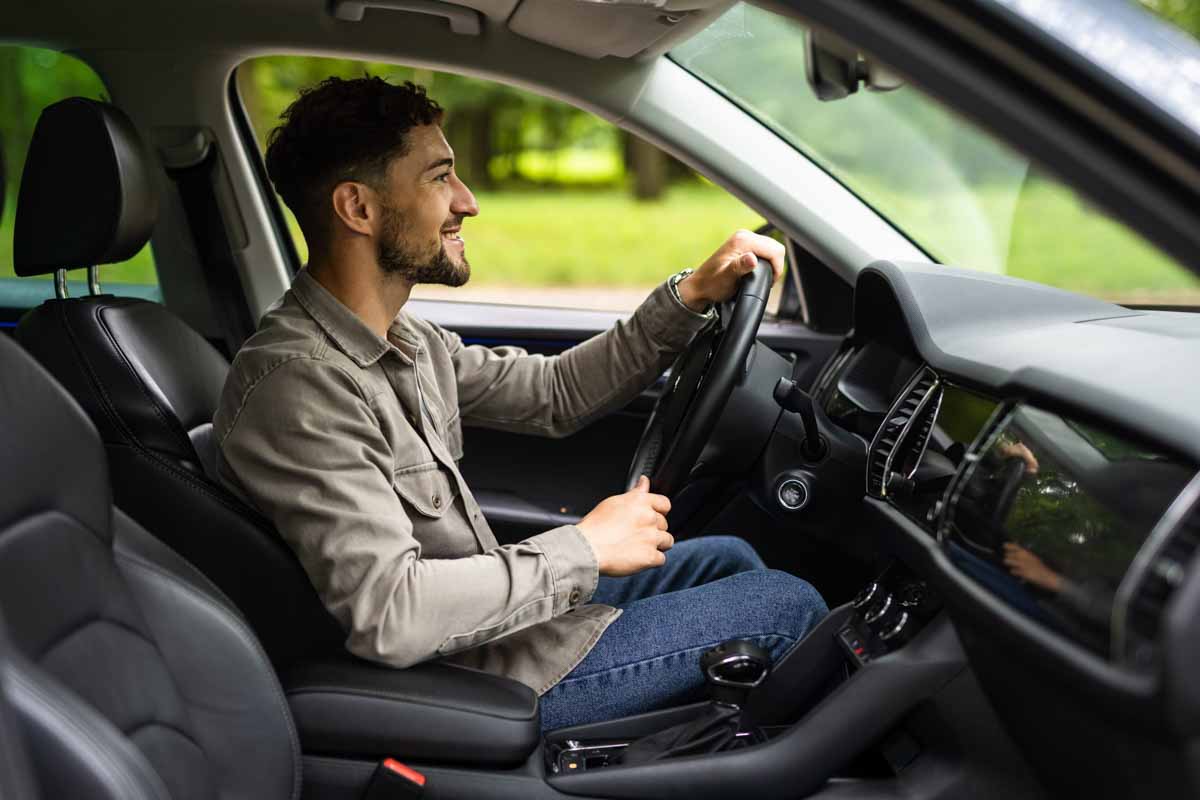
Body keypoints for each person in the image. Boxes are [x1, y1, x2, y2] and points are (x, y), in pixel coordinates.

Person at [213, 76, 828, 730]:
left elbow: (555, 393)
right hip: (467, 683)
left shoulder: (405, 341)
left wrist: (690, 295)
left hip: (491, 634)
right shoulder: (300, 386)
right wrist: (584, 548)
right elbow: (391, 616)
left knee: (725, 558)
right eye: (439, 177)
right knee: (786, 605)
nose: (468, 203)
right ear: (358, 209)